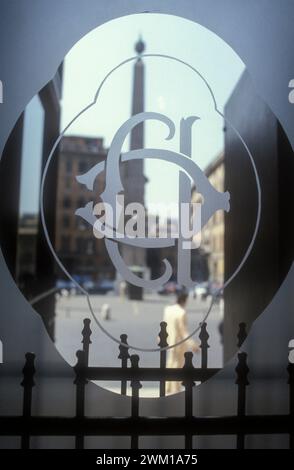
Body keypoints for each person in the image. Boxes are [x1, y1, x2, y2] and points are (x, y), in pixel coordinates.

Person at [163, 292, 200, 394]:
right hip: (179, 342)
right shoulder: (181, 313)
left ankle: (167, 387)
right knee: (177, 365)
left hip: (169, 341)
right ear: (184, 300)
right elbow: (183, 332)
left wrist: (160, 337)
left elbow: (164, 325)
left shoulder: (168, 309)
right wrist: (193, 345)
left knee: (170, 363)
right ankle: (175, 389)